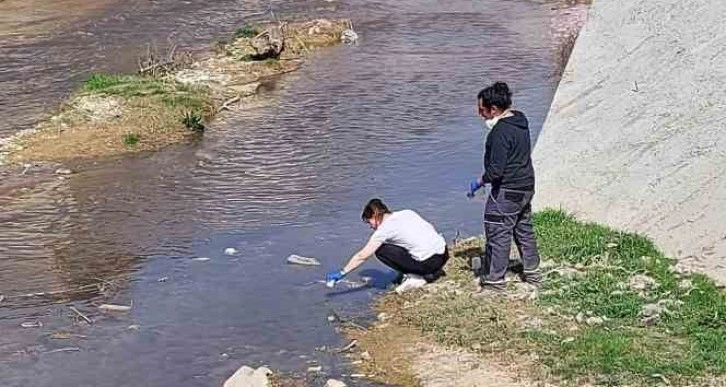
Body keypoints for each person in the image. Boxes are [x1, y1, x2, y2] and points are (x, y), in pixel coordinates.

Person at [468, 82, 542, 292]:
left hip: (507, 190)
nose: (480, 114)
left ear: (493, 109)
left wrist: (480, 181)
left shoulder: (499, 132)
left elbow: (497, 170)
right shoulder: (520, 121)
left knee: (497, 231)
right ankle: (533, 272)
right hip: (526, 186)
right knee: (523, 229)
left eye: (482, 110)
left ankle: (494, 282)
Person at [325, 199, 449, 294]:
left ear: (375, 215)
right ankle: (420, 271)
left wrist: (342, 272)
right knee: (402, 242)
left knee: (380, 250)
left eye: (370, 222)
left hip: (429, 264)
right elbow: (429, 228)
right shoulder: (407, 212)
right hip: (443, 254)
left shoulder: (384, 230)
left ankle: (416, 277)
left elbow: (362, 255)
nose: (371, 226)